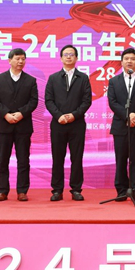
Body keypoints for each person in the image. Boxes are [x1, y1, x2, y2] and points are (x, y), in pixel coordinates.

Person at [0, 48, 38, 202]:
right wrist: (6, 114)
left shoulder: (31, 80)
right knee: (2, 159)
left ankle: (22, 191)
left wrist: (21, 113)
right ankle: (2, 191)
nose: (20, 61)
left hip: (23, 126)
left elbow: (33, 101)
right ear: (9, 60)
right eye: (17, 59)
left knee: (23, 159)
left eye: (23, 59)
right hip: (4, 125)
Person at [45, 45, 92, 201]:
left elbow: (87, 101)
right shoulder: (53, 78)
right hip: (58, 123)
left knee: (76, 158)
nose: (69, 57)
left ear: (76, 58)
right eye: (66, 54)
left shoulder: (83, 78)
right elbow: (48, 100)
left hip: (77, 124)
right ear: (61, 58)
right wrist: (59, 115)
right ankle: (57, 190)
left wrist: (74, 115)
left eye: (72, 54)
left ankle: (76, 189)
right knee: (57, 157)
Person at [107, 48, 135, 202]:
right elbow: (112, 102)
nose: (129, 61)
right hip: (120, 126)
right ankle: (121, 190)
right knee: (120, 160)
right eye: (126, 59)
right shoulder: (114, 81)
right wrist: (127, 116)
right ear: (121, 62)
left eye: (132, 59)